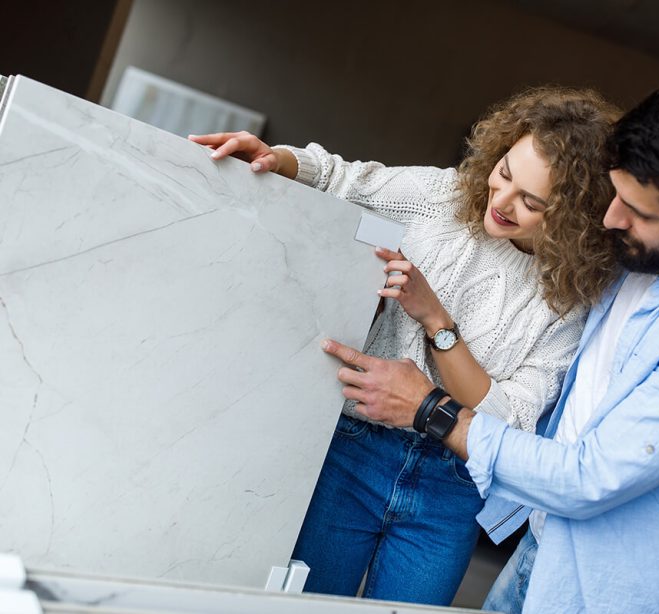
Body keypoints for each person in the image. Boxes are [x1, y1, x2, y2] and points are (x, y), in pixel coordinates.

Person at [319, 66, 659, 613]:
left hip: (604, 590)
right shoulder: (647, 249)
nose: (609, 218)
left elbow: (589, 479)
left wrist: (428, 405)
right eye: (615, 192)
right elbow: (349, 180)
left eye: (637, 210)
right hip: (538, 548)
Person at [189, 87, 619, 605]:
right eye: (504, 172)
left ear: (572, 215)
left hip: (452, 490)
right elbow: (339, 177)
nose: (500, 202)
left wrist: (435, 318)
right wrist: (275, 158)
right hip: (352, 451)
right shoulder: (443, 197)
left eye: (531, 202)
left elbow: (508, 422)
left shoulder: (570, 298)